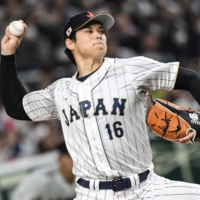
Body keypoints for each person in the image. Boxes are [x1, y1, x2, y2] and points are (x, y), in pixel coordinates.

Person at [1, 11, 200, 200]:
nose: (98, 35)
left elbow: (190, 79)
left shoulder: (130, 69)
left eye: (101, 31)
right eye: (89, 31)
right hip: (93, 194)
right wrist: (7, 55)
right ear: (70, 43)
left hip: (147, 188)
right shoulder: (60, 91)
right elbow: (17, 106)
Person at [10, 142, 76, 200]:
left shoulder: (84, 176)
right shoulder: (42, 178)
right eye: (69, 156)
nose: (74, 160)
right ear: (59, 159)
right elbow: (17, 197)